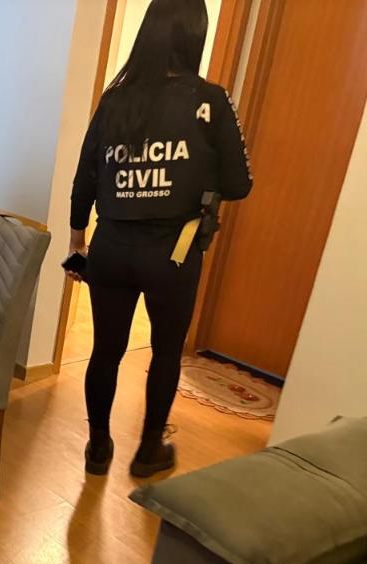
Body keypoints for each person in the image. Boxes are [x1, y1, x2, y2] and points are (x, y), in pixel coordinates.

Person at [68, 0, 252, 478]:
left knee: (105, 350)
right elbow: (239, 184)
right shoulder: (209, 101)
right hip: (173, 253)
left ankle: (97, 447)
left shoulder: (113, 101)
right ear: (195, 37)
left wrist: (76, 243)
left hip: (111, 248)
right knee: (167, 351)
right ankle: (149, 450)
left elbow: (85, 179)